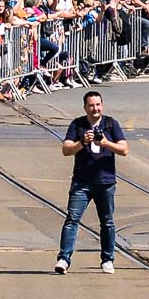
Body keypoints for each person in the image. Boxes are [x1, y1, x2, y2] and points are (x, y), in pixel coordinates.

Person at [54, 90, 126, 274]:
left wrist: (106, 144)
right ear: (85, 107)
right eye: (91, 105)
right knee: (72, 219)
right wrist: (81, 143)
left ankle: (107, 259)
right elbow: (66, 150)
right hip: (82, 182)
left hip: (105, 182)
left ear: (102, 105)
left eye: (98, 105)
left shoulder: (111, 124)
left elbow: (124, 149)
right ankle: (64, 258)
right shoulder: (77, 124)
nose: (95, 108)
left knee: (107, 222)